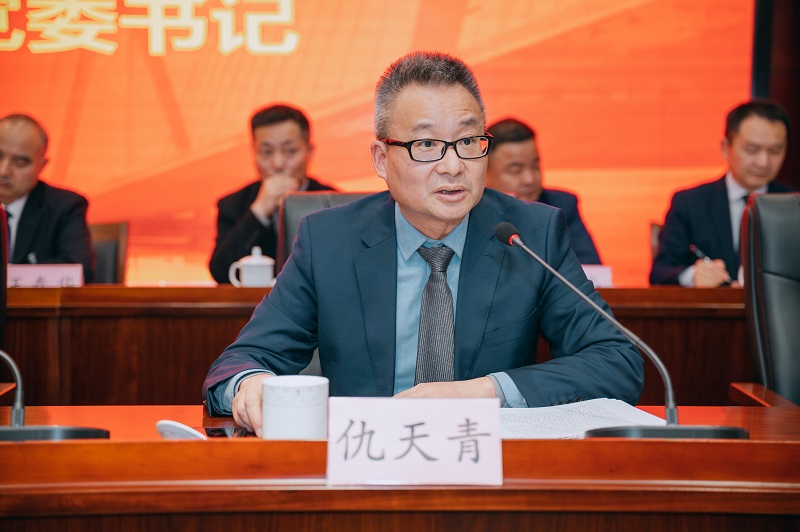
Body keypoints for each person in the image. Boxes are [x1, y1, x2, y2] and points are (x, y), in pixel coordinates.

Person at [203, 51, 644, 435]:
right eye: (427, 144)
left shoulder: (530, 234)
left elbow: (617, 360)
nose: (453, 166)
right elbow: (238, 363)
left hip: (487, 471)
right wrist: (250, 385)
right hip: (363, 470)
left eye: (468, 141)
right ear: (382, 159)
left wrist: (485, 392)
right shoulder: (328, 241)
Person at [650, 100, 794, 286]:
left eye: (775, 150)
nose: (763, 162)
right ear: (726, 148)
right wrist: (692, 275)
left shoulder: (794, 203)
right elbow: (659, 273)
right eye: (752, 150)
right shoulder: (690, 203)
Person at [208, 104, 336, 283]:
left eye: (290, 151)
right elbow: (221, 273)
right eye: (267, 152)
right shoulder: (233, 205)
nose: (277, 163)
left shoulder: (335, 203)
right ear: (254, 153)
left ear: (309, 152)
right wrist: (259, 211)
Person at [486, 118, 602, 264]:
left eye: (535, 167)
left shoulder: (561, 206)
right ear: (485, 173)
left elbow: (590, 268)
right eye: (516, 171)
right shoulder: (469, 212)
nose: (530, 179)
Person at [0, 113, 94, 283]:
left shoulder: (65, 207)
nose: (4, 171)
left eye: (20, 162)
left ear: (41, 166)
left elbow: (79, 270)